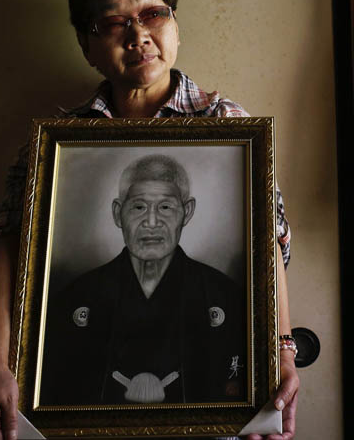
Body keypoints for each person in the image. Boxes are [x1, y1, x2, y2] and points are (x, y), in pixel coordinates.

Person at [0, 0, 299, 440]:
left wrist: (281, 355)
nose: (138, 36)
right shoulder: (57, 141)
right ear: (87, 46)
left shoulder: (225, 122)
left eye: (152, 14)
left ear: (175, 25)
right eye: (113, 23)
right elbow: (4, 245)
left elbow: (268, 243)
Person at [40, 154, 246, 405]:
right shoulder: (77, 297)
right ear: (118, 213)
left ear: (187, 211)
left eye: (165, 207)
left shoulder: (224, 296)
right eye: (139, 207)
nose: (151, 222)